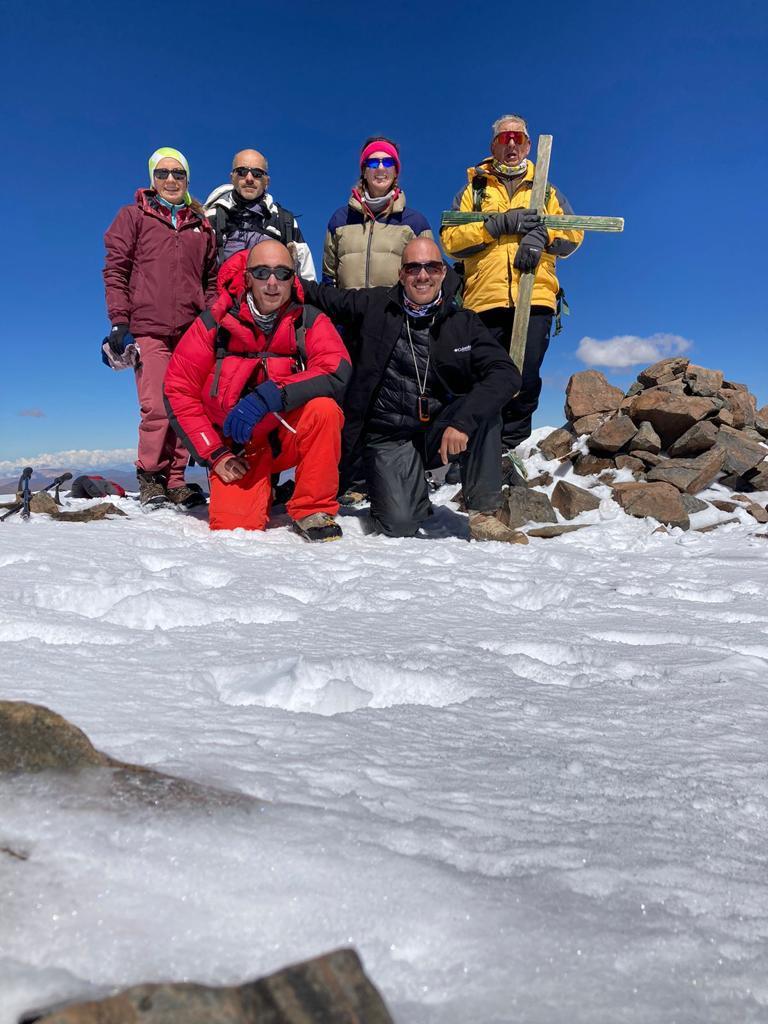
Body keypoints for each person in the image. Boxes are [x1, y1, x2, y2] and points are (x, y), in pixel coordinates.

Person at [301, 238, 526, 543]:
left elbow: (506, 374)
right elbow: (324, 296)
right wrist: (281, 273)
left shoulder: (463, 322)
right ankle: (410, 491)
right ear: (401, 274)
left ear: (443, 273)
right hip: (388, 434)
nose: (423, 276)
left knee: (484, 411)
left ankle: (483, 515)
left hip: (439, 430)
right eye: (413, 268)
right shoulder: (376, 305)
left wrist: (462, 422)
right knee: (399, 525)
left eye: (432, 267)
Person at [163, 241, 351, 541]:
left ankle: (312, 508)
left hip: (284, 435)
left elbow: (335, 368)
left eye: (283, 273)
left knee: (324, 409)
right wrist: (215, 453)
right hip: (235, 448)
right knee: (236, 527)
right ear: (247, 277)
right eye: (262, 272)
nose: (273, 282)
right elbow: (178, 387)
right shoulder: (215, 321)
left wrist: (273, 394)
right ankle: (267, 490)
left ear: (294, 279)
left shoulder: (308, 320)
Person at [441, 113, 583, 462]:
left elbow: (574, 233)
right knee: (483, 377)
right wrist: (493, 227)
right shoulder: (474, 188)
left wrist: (543, 237)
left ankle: (511, 448)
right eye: (504, 139)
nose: (511, 145)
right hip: (482, 297)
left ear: (528, 144)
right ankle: (476, 453)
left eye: (518, 139)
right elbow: (450, 239)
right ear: (493, 145)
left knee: (526, 374)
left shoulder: (546, 188)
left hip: (533, 294)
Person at [103, 147, 218, 508]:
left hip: (190, 330)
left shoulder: (201, 225)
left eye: (178, 174)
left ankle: (177, 480)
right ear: (152, 178)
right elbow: (116, 270)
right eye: (163, 173)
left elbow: (211, 278)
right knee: (155, 405)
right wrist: (119, 322)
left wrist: (211, 318)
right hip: (148, 328)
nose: (171, 180)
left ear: (187, 179)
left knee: (186, 405)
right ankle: (151, 476)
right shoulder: (133, 216)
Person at [322, 136, 432, 289]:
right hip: (346, 311)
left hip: (395, 312)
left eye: (387, 162)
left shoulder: (415, 223)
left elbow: (429, 276)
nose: (380, 168)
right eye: (373, 163)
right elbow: (329, 278)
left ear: (395, 172)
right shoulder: (340, 219)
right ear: (364, 172)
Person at [204, 149, 315, 278]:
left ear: (267, 181)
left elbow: (306, 276)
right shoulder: (212, 218)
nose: (249, 178)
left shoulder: (285, 222)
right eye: (242, 172)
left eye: (257, 173)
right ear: (232, 178)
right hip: (223, 296)